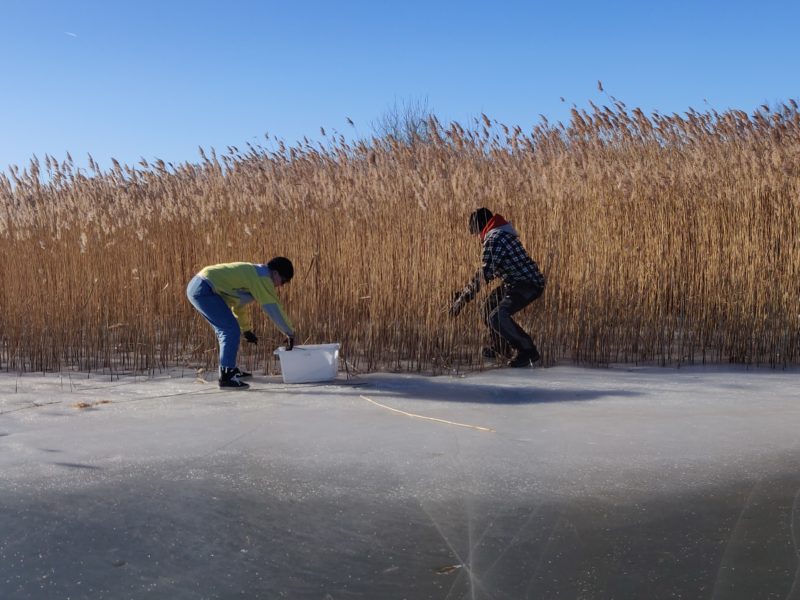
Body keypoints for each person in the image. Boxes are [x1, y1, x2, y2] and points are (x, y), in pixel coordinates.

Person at [450, 208, 545, 368]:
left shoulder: (494, 238)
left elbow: (485, 273)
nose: (478, 237)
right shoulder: (499, 232)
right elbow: (490, 271)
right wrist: (465, 294)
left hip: (528, 284)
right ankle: (501, 346)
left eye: (476, 232)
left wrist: (463, 298)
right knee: (488, 307)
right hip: (514, 282)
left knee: (497, 316)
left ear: (481, 227)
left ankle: (528, 350)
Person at [186, 258, 296, 389]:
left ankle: (230, 369)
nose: (281, 285)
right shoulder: (263, 278)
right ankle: (227, 376)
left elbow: (237, 304)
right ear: (276, 273)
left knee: (229, 330)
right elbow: (273, 307)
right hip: (204, 289)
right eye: (283, 281)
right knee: (229, 330)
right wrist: (289, 332)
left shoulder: (255, 274)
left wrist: (246, 330)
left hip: (200, 286)